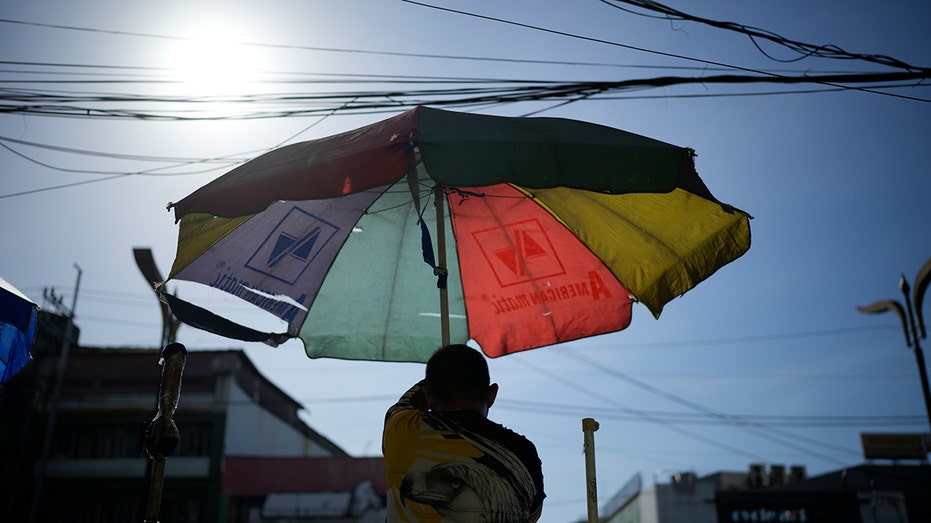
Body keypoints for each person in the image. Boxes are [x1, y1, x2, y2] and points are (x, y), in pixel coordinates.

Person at [382, 344, 545, 523]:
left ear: (430, 396)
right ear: (491, 394)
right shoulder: (522, 455)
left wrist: (441, 376)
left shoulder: (401, 429)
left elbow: (408, 401)